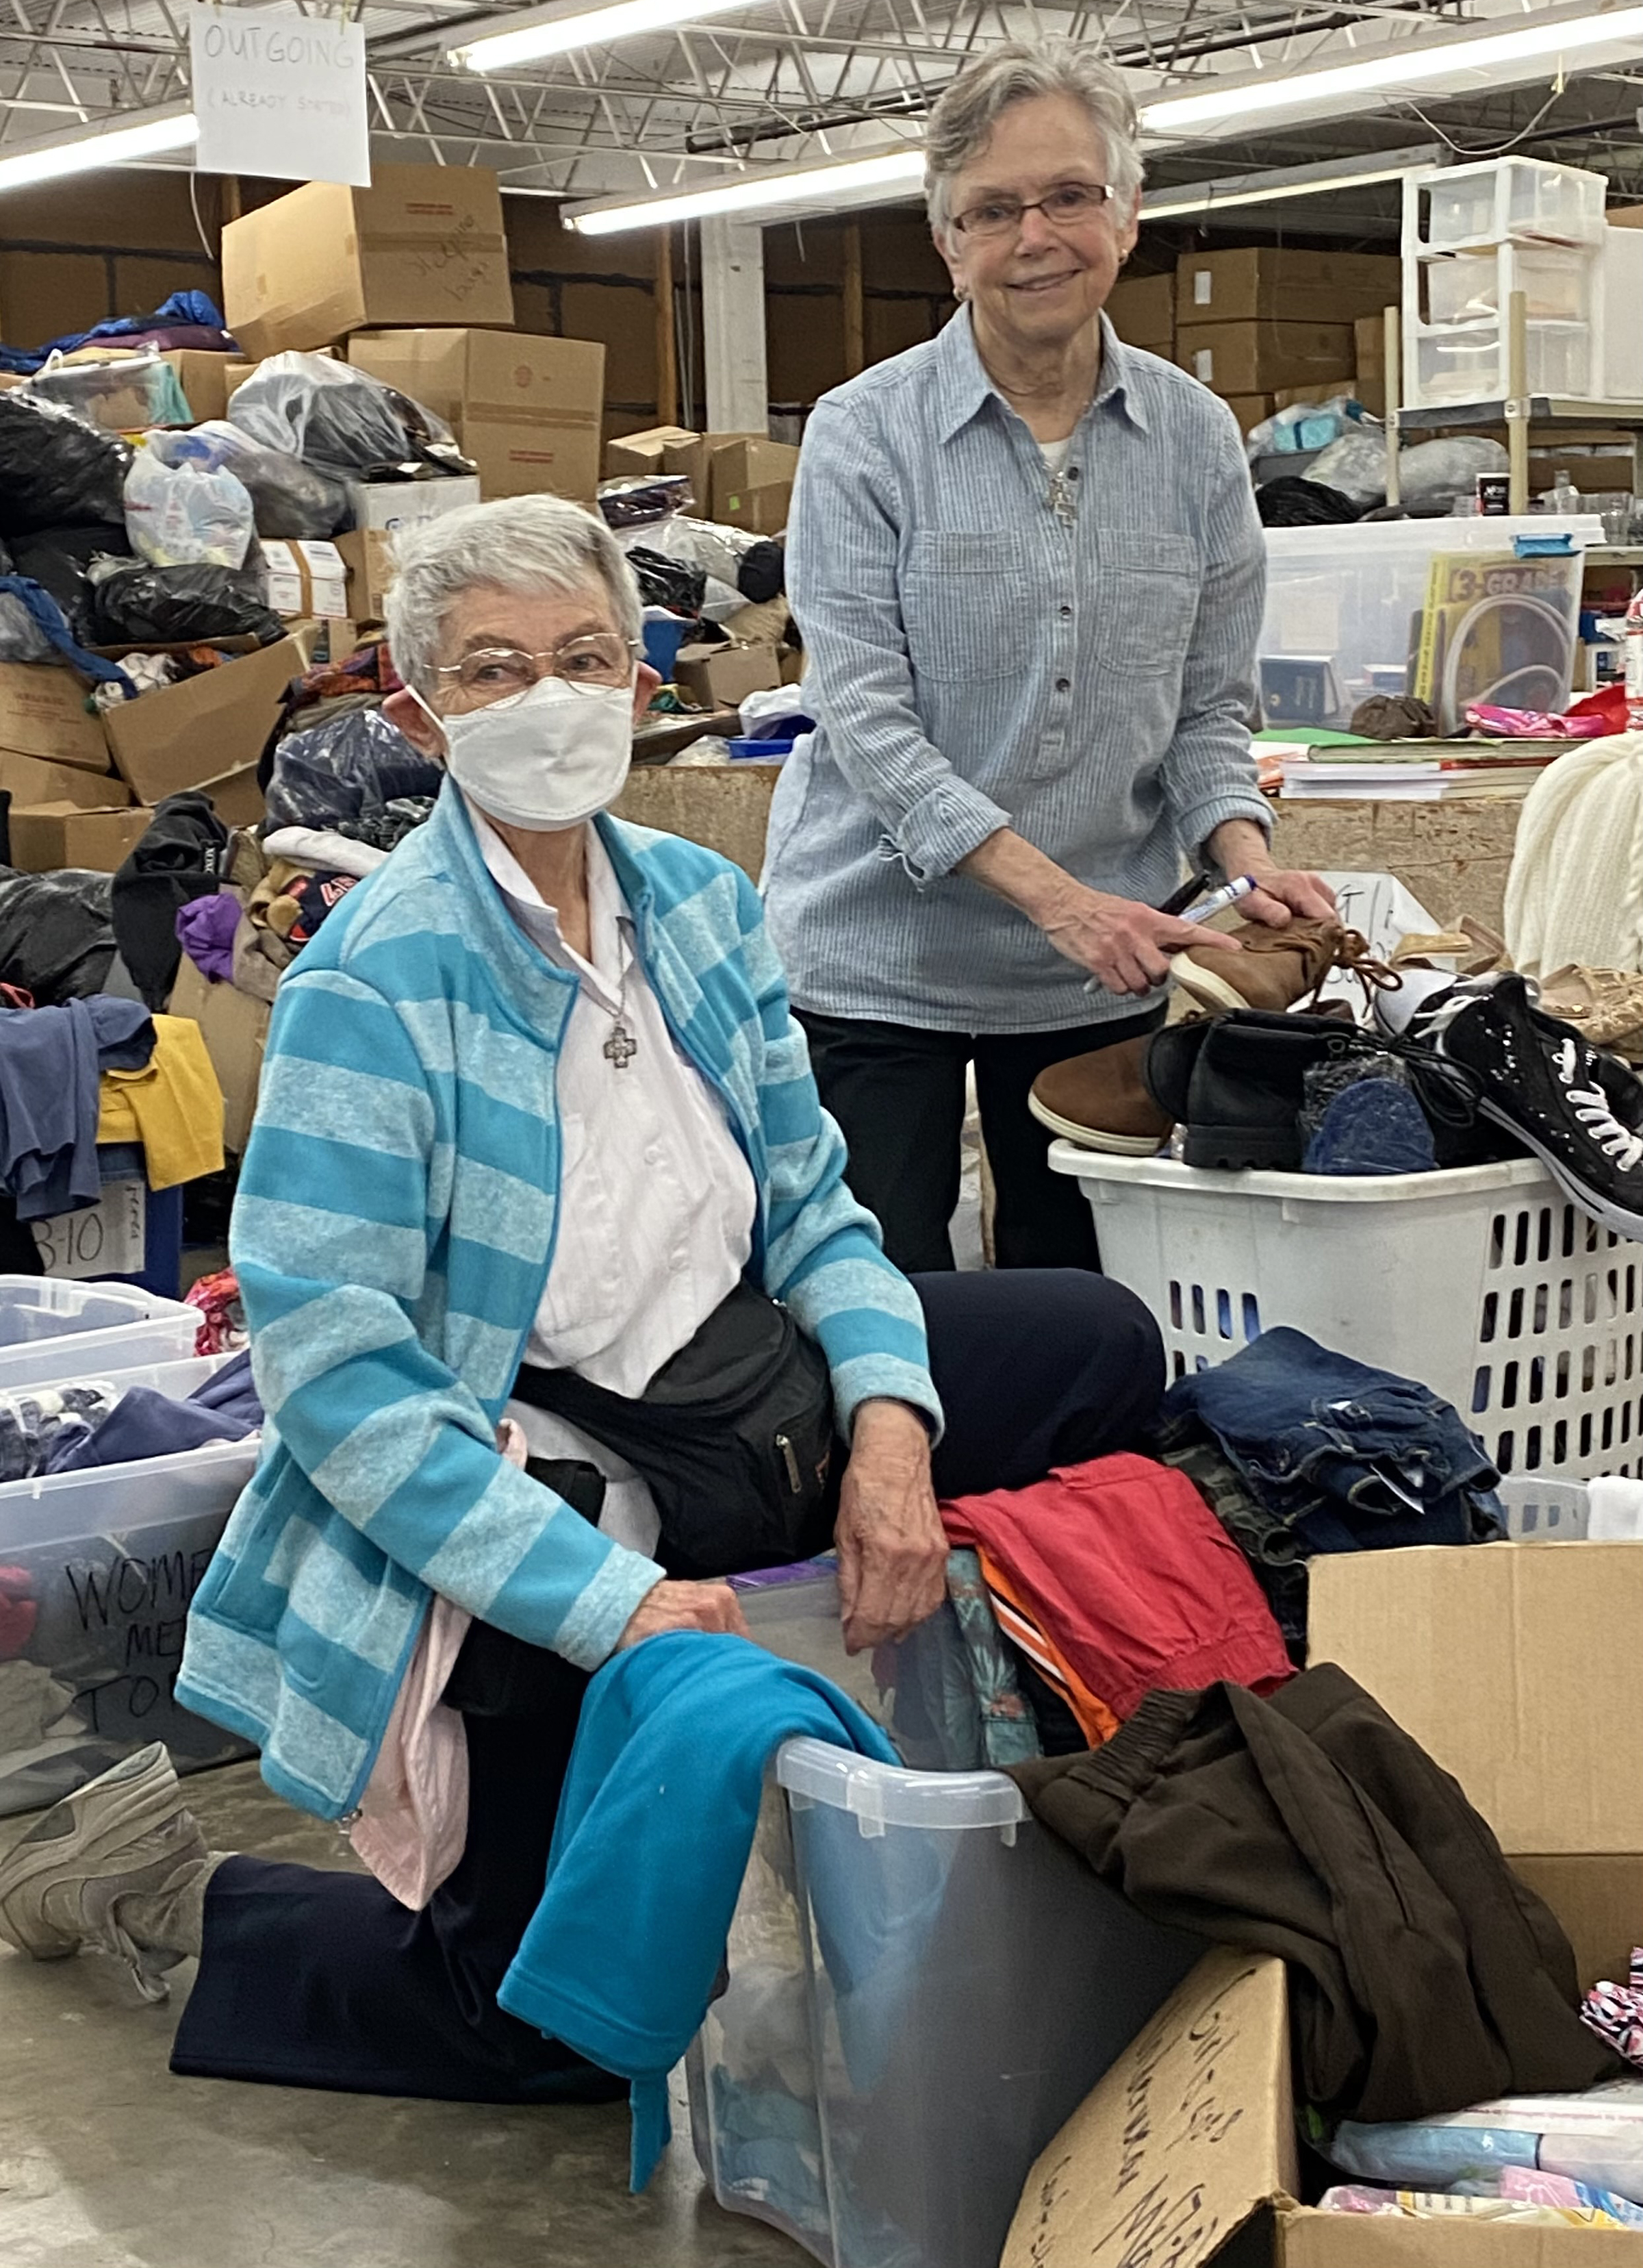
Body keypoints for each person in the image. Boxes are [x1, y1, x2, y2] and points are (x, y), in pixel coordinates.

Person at [0, 494, 1166, 2108]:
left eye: (586, 656)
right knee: (555, 2024)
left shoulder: (698, 902)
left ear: (637, 681)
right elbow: (336, 1375)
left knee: (1101, 1345)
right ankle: (173, 1890)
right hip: (555, 1469)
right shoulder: (376, 982)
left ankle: (992, 1735)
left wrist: (893, 1434)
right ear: (418, 715)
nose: (550, 699)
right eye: (492, 669)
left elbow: (819, 1210)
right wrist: (600, 1603)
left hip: (745, 1398)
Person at [763, 40, 1334, 1276]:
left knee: (1083, 1309)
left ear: (1127, 216)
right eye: (994, 209)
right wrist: (1059, 901)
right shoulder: (865, 436)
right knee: (877, 1307)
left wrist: (1244, 865)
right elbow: (864, 720)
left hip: (1098, 973)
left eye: (1071, 195)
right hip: (879, 969)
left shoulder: (1193, 440)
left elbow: (1207, 715)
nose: (1038, 235)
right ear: (948, 242)